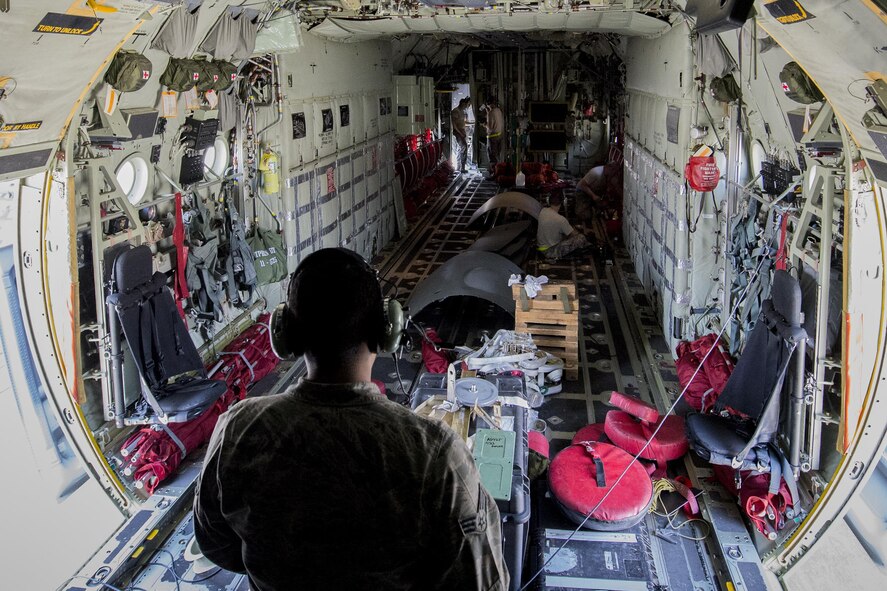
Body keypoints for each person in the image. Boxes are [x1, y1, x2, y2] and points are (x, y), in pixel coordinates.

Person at [193, 247, 509, 591]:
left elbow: (217, 545)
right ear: (386, 330)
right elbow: (483, 582)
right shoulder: (434, 453)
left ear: (286, 335)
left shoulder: (239, 430)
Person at [537, 192, 590, 260]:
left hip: (540, 247)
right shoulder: (561, 219)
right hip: (550, 251)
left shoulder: (543, 211)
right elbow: (574, 234)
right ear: (562, 203)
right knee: (581, 238)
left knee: (563, 233)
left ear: (548, 201)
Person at [451, 96, 471, 173]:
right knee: (464, 147)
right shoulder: (455, 111)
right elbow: (454, 124)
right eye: (466, 105)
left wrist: (473, 123)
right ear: (462, 104)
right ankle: (461, 167)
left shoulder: (462, 111)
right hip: (458, 132)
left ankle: (460, 167)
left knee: (462, 148)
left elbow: (463, 122)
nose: (466, 106)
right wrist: (460, 133)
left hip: (462, 131)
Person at [483, 99, 504, 171]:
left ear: (488, 105)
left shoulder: (490, 113)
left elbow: (490, 127)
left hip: (492, 137)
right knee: (497, 155)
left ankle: (494, 172)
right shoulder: (498, 110)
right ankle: (499, 171)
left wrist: (484, 124)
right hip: (499, 135)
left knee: (492, 156)